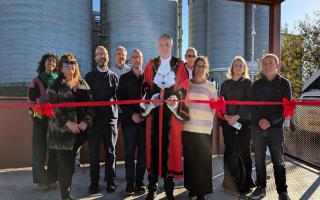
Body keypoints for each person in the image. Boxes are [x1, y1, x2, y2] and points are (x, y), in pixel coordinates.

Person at [141, 34, 189, 200]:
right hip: (154, 116)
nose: (164, 47)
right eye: (161, 44)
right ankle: (152, 189)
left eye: (167, 45)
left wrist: (176, 98)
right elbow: (145, 85)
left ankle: (169, 190)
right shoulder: (150, 64)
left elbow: (184, 86)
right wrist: (152, 98)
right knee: (152, 151)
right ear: (157, 45)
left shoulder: (179, 65)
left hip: (172, 117)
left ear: (172, 46)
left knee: (171, 151)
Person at [46, 53, 94, 200]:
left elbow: (92, 105)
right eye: (66, 64)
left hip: (79, 133)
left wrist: (86, 121)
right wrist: (68, 123)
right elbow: (52, 107)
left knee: (70, 165)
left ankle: (67, 193)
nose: (70, 66)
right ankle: (65, 196)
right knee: (66, 165)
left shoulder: (83, 83)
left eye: (73, 63)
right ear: (61, 68)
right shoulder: (55, 85)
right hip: (62, 134)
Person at [249, 54, 292, 200]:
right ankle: (260, 188)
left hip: (275, 128)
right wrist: (260, 120)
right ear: (262, 66)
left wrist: (269, 121)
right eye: (265, 63)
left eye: (271, 63)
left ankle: (282, 191)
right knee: (259, 160)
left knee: (278, 160)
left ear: (277, 66)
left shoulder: (285, 84)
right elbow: (252, 106)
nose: (267, 65)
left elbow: (285, 108)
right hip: (257, 128)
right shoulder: (256, 85)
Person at [85, 46, 118, 194]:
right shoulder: (89, 77)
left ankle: (110, 181)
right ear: (95, 58)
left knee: (110, 152)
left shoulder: (114, 76)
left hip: (110, 121)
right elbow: (84, 101)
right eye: (98, 54)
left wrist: (115, 117)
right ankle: (94, 183)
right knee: (93, 154)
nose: (101, 56)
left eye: (103, 54)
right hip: (94, 122)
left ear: (108, 57)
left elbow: (117, 99)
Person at [182, 56, 216, 200]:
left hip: (204, 130)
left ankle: (201, 192)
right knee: (190, 161)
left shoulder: (210, 86)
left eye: (203, 66)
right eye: (198, 65)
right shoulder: (186, 84)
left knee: (203, 162)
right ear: (194, 67)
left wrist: (206, 121)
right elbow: (181, 105)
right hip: (188, 128)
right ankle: (192, 188)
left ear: (206, 69)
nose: (200, 68)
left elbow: (214, 107)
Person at [220, 56, 255, 195]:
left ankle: (246, 182)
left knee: (244, 150)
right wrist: (226, 116)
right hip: (227, 122)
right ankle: (229, 182)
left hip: (244, 122)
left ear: (244, 68)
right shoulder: (225, 84)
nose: (238, 67)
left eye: (241, 65)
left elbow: (249, 102)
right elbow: (221, 101)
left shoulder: (247, 83)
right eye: (236, 65)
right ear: (232, 67)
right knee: (229, 150)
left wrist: (237, 116)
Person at [28, 52, 59, 191]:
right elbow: (31, 101)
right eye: (48, 60)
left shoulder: (59, 80)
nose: (51, 63)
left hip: (56, 119)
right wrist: (40, 110)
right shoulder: (36, 80)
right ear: (43, 63)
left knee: (54, 150)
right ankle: (41, 181)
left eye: (53, 61)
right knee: (39, 150)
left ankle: (52, 178)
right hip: (40, 119)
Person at [117, 49, 146, 195]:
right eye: (134, 57)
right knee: (129, 153)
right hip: (129, 122)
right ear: (131, 60)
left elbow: (152, 97)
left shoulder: (148, 78)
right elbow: (120, 98)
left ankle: (140, 182)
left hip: (144, 122)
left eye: (139, 57)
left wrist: (144, 115)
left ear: (142, 59)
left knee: (143, 154)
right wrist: (132, 114)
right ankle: (130, 183)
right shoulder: (124, 78)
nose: (136, 60)